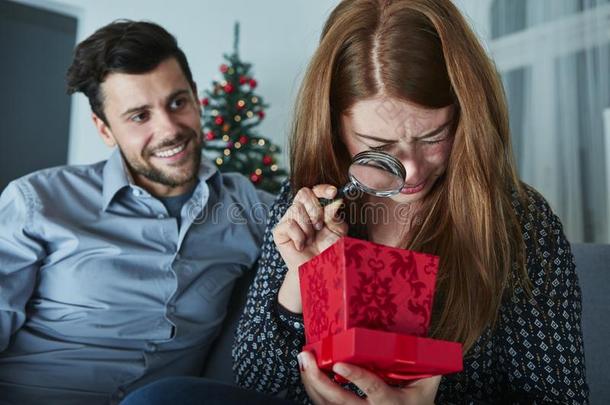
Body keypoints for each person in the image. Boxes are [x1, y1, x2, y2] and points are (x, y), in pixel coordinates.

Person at [232, 0, 589, 404]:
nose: (412, 171)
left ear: (466, 116)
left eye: (434, 137)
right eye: (379, 147)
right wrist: (301, 278)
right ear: (335, 127)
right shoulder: (308, 206)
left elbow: (559, 397)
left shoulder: (519, 223)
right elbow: (252, 383)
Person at [0, 20, 272, 405]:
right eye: (139, 116)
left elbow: (333, 233)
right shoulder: (38, 202)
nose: (169, 129)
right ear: (105, 129)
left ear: (196, 98)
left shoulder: (248, 207)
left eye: (177, 102)